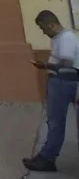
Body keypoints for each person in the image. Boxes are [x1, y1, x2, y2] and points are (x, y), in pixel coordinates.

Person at [22, 10, 79, 173]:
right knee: (54, 122)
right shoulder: (59, 38)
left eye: (43, 28)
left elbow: (67, 64)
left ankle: (47, 159)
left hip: (63, 83)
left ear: (51, 25)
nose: (43, 32)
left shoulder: (66, 38)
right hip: (61, 82)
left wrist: (45, 66)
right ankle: (46, 156)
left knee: (55, 122)